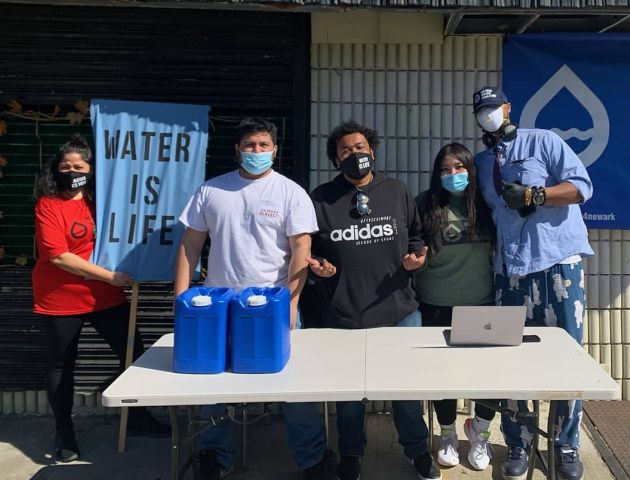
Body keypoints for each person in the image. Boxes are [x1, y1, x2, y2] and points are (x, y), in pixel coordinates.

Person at [174, 118, 328, 480]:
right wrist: (181, 298)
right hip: (218, 307)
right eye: (249, 145)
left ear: (275, 149)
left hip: (273, 306)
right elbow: (190, 245)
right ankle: (215, 454)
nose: (256, 151)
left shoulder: (291, 192)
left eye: (263, 145)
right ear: (237, 150)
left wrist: (291, 304)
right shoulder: (212, 190)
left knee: (295, 389)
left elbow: (300, 250)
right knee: (212, 385)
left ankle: (313, 458)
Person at [468, 86, 594, 480]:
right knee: (512, 359)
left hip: (558, 265)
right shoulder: (482, 161)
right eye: (482, 111)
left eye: (494, 107)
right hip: (511, 272)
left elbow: (581, 187)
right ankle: (519, 443)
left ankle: (565, 444)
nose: (489, 115)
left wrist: (535, 193)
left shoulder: (544, 141)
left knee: (567, 358)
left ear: (507, 107)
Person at [305, 120, 441, 480]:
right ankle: (351, 454)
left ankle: (417, 451)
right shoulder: (320, 198)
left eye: (360, 147)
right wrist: (318, 267)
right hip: (344, 315)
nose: (355, 154)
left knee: (408, 393)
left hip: (400, 311)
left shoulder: (396, 191)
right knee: (349, 400)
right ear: (336, 159)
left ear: (373, 151)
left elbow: (416, 235)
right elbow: (311, 250)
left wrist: (417, 257)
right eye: (346, 150)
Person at [33, 135, 170, 463]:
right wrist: (111, 276)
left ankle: (137, 417)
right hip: (60, 297)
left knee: (133, 354)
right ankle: (63, 432)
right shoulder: (48, 204)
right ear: (56, 169)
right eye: (65, 166)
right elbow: (58, 256)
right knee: (62, 366)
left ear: (92, 170)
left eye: (79, 166)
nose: (72, 171)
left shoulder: (104, 201)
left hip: (106, 296)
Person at [414, 143, 498, 470]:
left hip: (481, 302)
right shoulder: (425, 203)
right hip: (435, 301)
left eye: (459, 168)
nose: (453, 175)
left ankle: (480, 433)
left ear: (471, 171)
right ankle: (447, 433)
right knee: (443, 376)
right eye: (446, 170)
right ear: (437, 174)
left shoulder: (486, 204)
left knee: (489, 378)